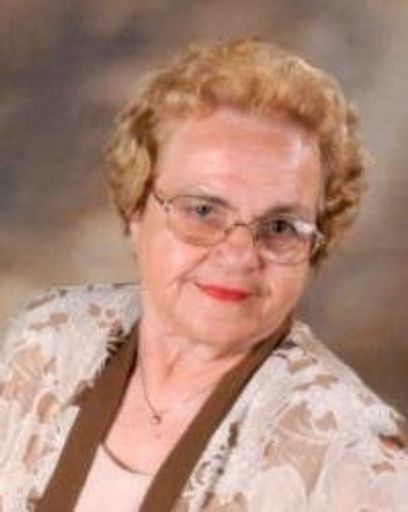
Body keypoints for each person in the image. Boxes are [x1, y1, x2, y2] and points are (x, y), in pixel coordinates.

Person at [0, 38, 407, 512]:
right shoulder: (44, 345)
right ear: (136, 209)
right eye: (203, 210)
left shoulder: (355, 458)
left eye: (280, 226)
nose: (239, 256)